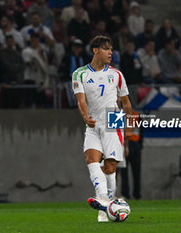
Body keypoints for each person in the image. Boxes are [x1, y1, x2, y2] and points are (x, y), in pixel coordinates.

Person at [72, 35, 132, 222]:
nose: (110, 52)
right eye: (107, 49)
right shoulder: (79, 74)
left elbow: (126, 102)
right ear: (95, 50)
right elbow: (81, 100)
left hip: (113, 119)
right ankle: (104, 201)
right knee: (91, 158)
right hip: (93, 122)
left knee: (110, 165)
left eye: (111, 49)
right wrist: (85, 117)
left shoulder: (116, 74)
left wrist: (129, 129)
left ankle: (105, 207)